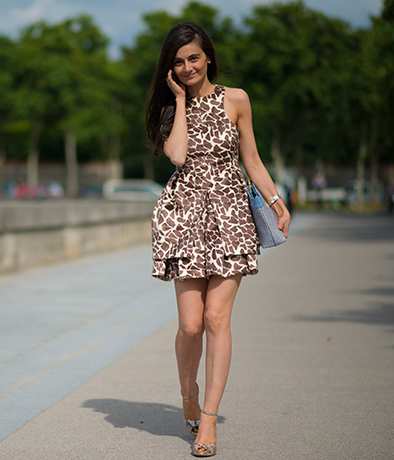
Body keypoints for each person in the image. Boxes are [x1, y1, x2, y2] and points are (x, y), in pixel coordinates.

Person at [145, 22, 290, 457]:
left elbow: (252, 159)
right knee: (190, 325)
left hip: (231, 218)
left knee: (215, 320)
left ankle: (208, 420)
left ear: (208, 56)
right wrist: (178, 101)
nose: (187, 67)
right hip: (184, 219)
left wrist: (276, 199)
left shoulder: (237, 99)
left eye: (193, 57)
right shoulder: (174, 105)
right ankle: (187, 391)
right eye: (178, 61)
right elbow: (177, 155)